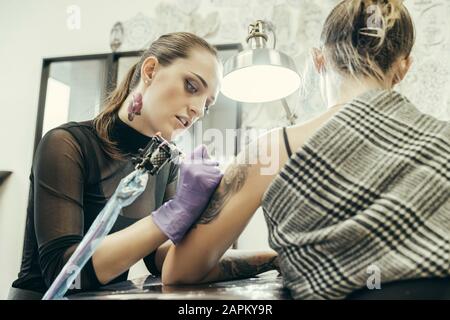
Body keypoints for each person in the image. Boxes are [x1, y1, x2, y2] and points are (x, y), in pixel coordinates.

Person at [160, 0, 450, 299]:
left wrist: (272, 258)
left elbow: (179, 272)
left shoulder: (273, 150)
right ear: (404, 67)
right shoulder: (445, 140)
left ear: (318, 59)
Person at [9, 32, 228, 300]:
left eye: (208, 103)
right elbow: (66, 276)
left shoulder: (165, 163)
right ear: (150, 70)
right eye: (192, 86)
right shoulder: (66, 144)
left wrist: (271, 256)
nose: (199, 110)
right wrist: (175, 213)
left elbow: (161, 258)